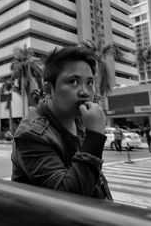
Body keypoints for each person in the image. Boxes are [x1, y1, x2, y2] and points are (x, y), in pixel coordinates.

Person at [11, 46, 112, 201]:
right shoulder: (32, 135)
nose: (84, 92)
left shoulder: (80, 120)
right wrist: (95, 136)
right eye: (73, 81)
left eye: (89, 82)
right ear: (49, 89)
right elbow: (67, 196)